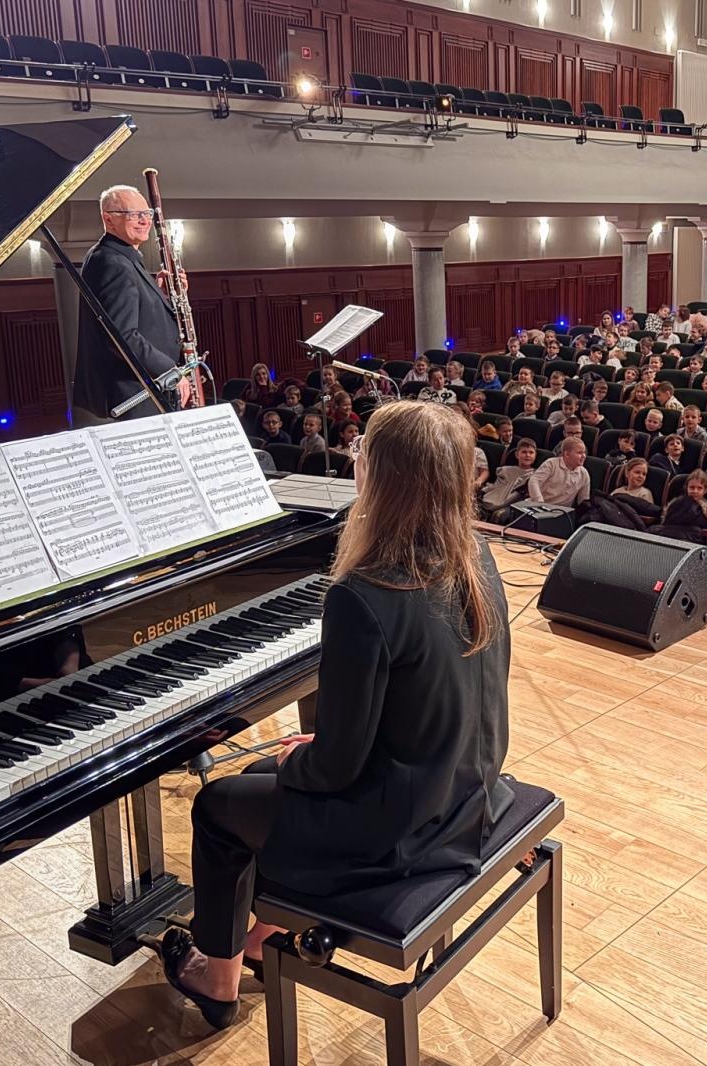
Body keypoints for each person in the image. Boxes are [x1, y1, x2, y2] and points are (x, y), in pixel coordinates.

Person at [155, 400, 512, 1028]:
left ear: (380, 475)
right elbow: (430, 700)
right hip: (467, 789)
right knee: (267, 770)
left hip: (405, 828)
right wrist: (313, 755)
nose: (356, 462)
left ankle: (217, 978)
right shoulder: (475, 556)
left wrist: (307, 759)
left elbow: (337, 767)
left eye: (363, 454)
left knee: (215, 807)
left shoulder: (364, 592)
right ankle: (260, 933)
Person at [71, 183, 191, 423]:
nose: (144, 220)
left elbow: (132, 314)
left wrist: (158, 294)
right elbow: (122, 336)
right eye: (133, 214)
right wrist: (171, 371)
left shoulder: (118, 256)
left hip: (139, 391)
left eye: (147, 213)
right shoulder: (113, 262)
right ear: (109, 218)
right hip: (133, 394)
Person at [478, 439, 538, 522]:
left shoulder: (535, 475)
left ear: (535, 455)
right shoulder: (505, 470)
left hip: (514, 503)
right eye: (524, 452)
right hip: (493, 499)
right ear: (517, 455)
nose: (527, 455)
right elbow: (496, 487)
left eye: (531, 452)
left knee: (499, 515)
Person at [528, 436, 591, 506]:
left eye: (584, 453)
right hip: (539, 506)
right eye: (579, 453)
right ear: (566, 454)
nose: (584, 456)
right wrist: (539, 503)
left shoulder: (584, 474)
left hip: (561, 512)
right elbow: (534, 481)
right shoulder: (551, 464)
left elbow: (583, 500)